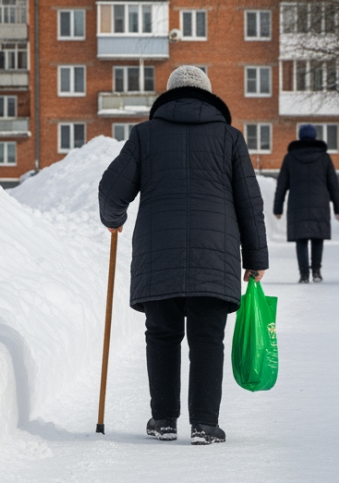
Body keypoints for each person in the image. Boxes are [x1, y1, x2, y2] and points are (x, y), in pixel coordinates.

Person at [98, 66, 268, 446]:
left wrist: (114, 220)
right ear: (208, 96)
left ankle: (163, 420)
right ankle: (205, 424)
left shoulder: (144, 135)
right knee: (208, 339)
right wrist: (255, 258)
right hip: (216, 255)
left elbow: (111, 191)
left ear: (169, 96)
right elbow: (249, 202)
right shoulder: (230, 138)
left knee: (161, 335)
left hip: (158, 256)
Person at [273, 124, 339, 284]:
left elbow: (282, 184)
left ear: (300, 137)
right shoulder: (324, 157)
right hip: (320, 203)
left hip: (297, 203)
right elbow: (333, 184)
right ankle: (317, 272)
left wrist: (277, 207)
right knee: (317, 238)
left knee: (301, 239)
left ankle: (304, 275)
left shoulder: (290, 157)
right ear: (314, 137)